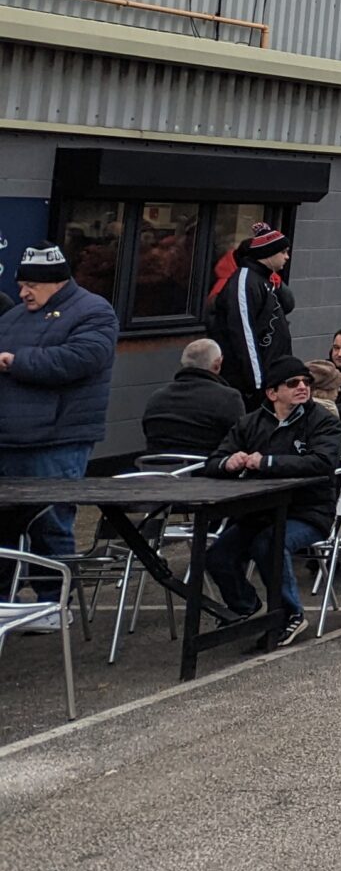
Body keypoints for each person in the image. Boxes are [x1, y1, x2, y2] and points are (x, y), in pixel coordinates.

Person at [0, 244, 119, 616]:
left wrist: (15, 361)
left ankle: (54, 604)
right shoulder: (13, 317)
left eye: (31, 285)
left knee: (50, 524)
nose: (23, 292)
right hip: (8, 439)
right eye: (21, 285)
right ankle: (6, 599)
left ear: (57, 283)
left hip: (58, 438)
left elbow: (81, 359)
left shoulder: (95, 311)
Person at [201, 355, 341, 647]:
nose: (303, 387)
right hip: (258, 511)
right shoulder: (250, 423)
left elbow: (322, 462)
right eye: (293, 383)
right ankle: (247, 609)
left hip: (308, 511)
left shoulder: (322, 421)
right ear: (272, 393)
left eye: (306, 382)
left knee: (269, 544)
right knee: (217, 556)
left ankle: (289, 614)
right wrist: (229, 462)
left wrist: (268, 462)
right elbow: (213, 461)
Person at [205, 222, 294, 402]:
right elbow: (244, 335)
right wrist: (257, 384)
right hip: (253, 384)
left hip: (271, 377)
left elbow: (287, 305)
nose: (287, 257)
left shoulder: (265, 280)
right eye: (283, 252)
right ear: (268, 253)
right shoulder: (245, 281)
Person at [142, 337, 246, 459]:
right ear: (217, 364)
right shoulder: (229, 398)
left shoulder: (156, 398)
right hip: (205, 471)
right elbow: (241, 441)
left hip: (158, 472)